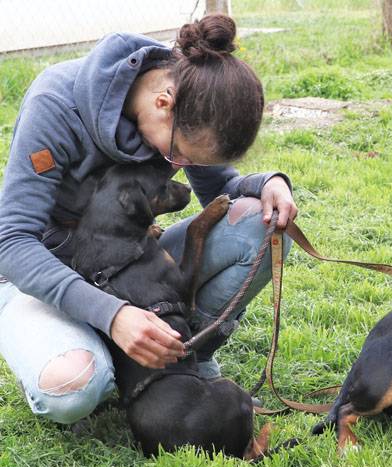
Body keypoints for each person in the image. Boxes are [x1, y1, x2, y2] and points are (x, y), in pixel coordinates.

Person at [0, 14, 297, 424]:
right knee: (70, 389)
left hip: (130, 268)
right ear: (163, 104)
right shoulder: (55, 105)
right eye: (179, 156)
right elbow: (12, 241)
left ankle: (186, 351)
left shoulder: (192, 97)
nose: (180, 165)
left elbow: (218, 189)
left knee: (260, 227)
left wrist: (266, 184)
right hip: (46, 279)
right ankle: (88, 348)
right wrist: (111, 314)